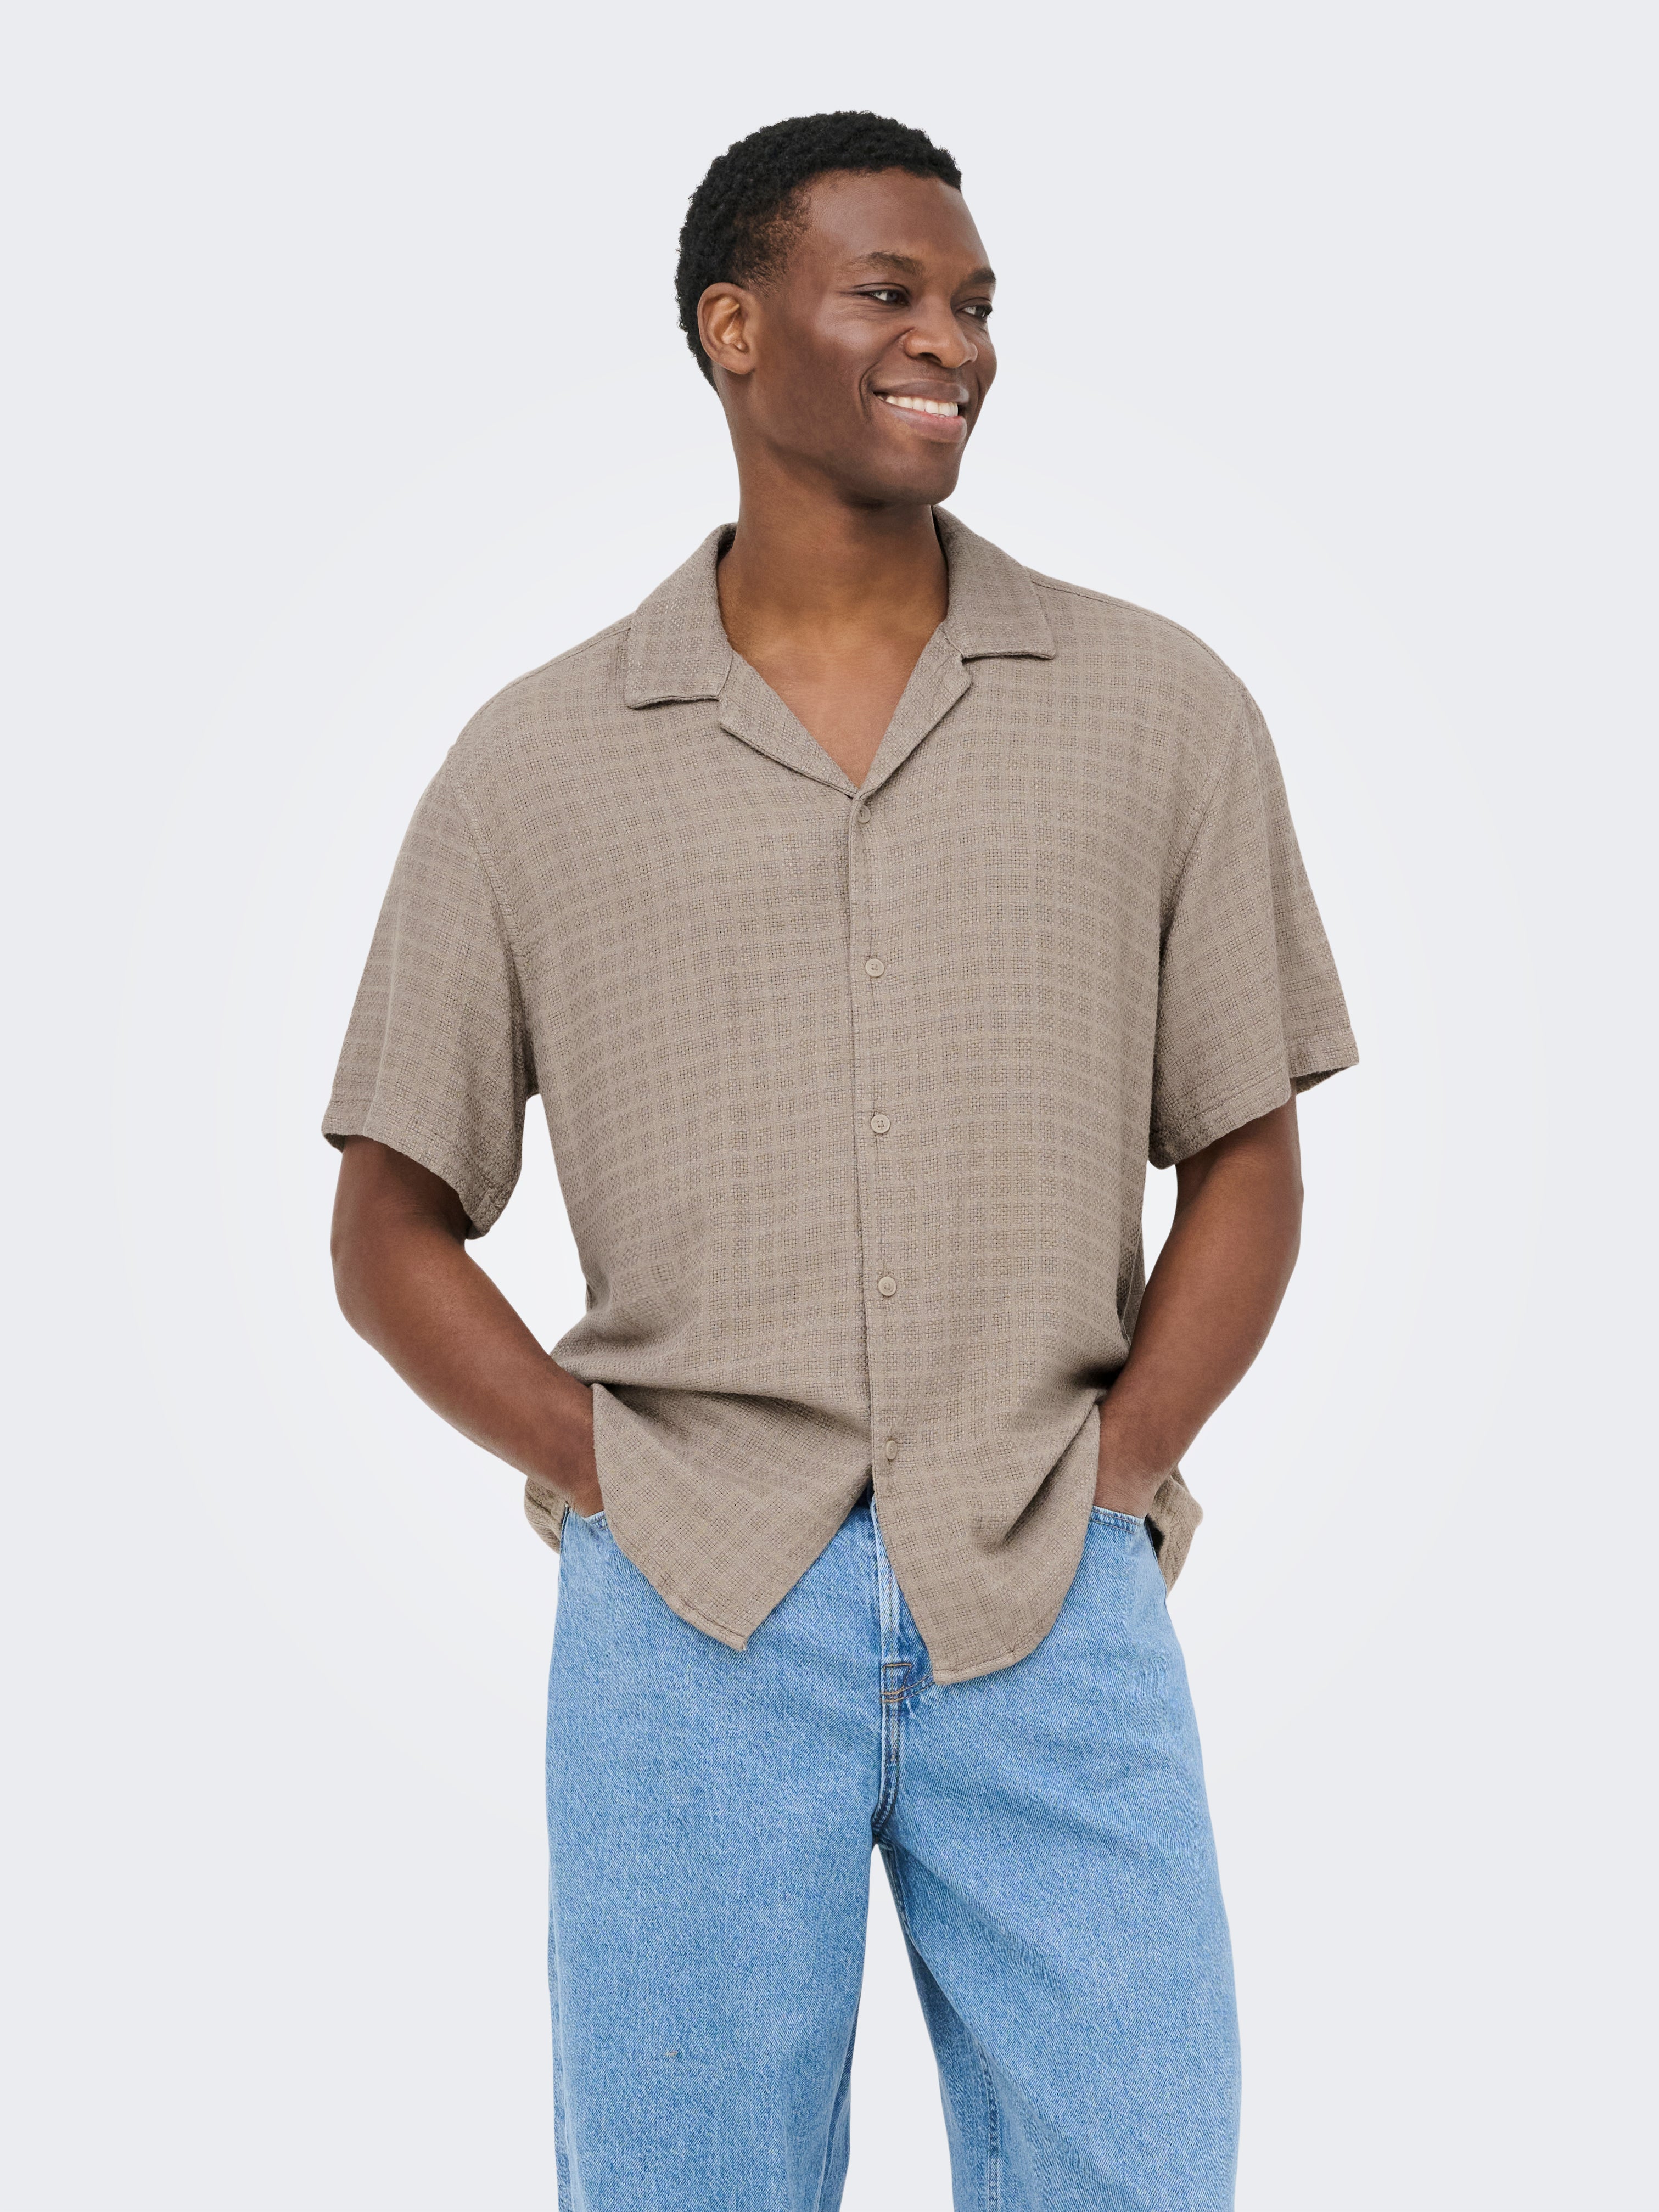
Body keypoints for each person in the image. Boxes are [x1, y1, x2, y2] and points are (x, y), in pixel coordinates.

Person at [324, 110, 1357, 2212]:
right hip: (687, 1623)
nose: (951, 342)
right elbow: (388, 1219)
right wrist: (618, 1476)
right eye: (889, 293)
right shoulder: (535, 762)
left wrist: (1125, 1470)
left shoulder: (1158, 708)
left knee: (1140, 2169)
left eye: (973, 303)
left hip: (1048, 1580)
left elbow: (1247, 1144)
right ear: (734, 328)